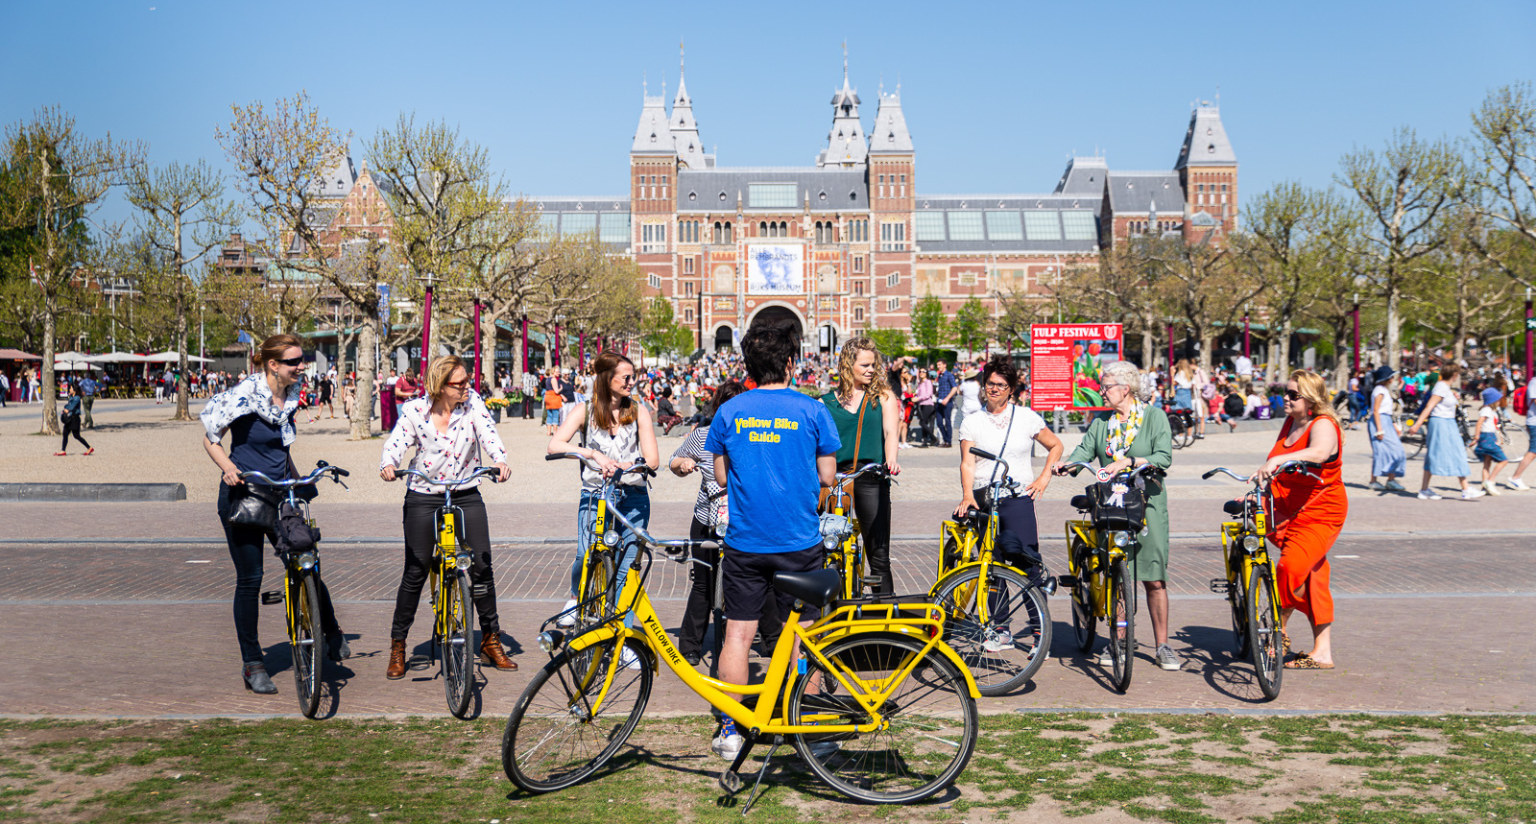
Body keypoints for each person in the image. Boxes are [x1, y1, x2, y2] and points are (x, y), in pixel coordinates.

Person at [704, 320, 840, 760]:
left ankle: (730, 729)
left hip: (746, 541)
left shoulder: (728, 412)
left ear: (749, 365)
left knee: (738, 636)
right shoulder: (813, 410)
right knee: (805, 635)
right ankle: (810, 727)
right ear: (789, 362)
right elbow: (827, 476)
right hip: (798, 539)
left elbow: (721, 477)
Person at [200, 334, 348, 695]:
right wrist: (227, 468)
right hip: (245, 493)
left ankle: (331, 629)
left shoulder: (291, 397)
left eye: (302, 360)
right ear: (273, 365)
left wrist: (301, 480)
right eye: (295, 361)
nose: (302, 366)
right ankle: (253, 664)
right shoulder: (244, 395)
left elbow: (281, 447)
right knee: (251, 579)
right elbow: (209, 436)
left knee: (306, 561)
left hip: (282, 492)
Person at [379, 355, 516, 678]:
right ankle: (398, 645)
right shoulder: (415, 411)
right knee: (416, 568)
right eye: (461, 384)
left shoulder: (473, 405)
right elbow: (396, 442)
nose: (468, 387)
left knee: (482, 565)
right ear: (440, 387)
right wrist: (388, 463)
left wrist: (499, 460)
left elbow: (489, 435)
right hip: (424, 494)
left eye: (469, 381)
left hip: (465, 490)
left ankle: (490, 638)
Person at [1056, 359, 1179, 671]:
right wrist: (1068, 465)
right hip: (1112, 506)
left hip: (1148, 506)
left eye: (1106, 386)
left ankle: (1162, 644)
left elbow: (1164, 456)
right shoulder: (1101, 425)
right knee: (1116, 575)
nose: (1102, 391)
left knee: (1153, 578)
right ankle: (1119, 639)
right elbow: (1084, 452)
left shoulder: (1154, 418)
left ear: (1125, 389)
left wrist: (1127, 461)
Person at [547, 351, 660, 629]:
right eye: (626, 377)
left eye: (632, 377)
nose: (631, 382)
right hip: (596, 495)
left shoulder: (638, 410)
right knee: (586, 554)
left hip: (633, 496)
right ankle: (576, 596)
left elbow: (653, 460)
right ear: (608, 378)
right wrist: (592, 455)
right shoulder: (584, 410)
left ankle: (624, 634)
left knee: (626, 567)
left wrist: (627, 464)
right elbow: (555, 445)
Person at [1258, 370, 1347, 670]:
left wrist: (1278, 460)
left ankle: (1277, 628)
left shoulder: (1324, 424)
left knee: (1290, 567)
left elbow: (1320, 453)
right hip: (1284, 509)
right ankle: (1323, 651)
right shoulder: (1289, 422)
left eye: (1293, 394)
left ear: (1311, 399)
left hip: (1320, 511)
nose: (1286, 397)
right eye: (1285, 391)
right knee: (1313, 574)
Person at [955, 356, 1063, 591]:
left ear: (1011, 390)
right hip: (984, 499)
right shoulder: (972, 421)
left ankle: (1038, 624)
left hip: (1018, 498)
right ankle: (998, 626)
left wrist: (1044, 478)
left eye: (1001, 385)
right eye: (990, 383)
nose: (994, 389)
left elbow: (1056, 445)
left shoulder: (1026, 417)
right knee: (991, 566)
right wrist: (967, 495)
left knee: (1027, 562)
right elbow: (967, 463)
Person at [669, 380, 750, 665]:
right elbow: (674, 460)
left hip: (743, 520)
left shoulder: (753, 436)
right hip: (707, 517)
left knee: (751, 580)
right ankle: (691, 644)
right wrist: (683, 465)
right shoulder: (703, 435)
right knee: (703, 582)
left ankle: (769, 636)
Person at [821, 338, 903, 595]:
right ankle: (832, 612)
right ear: (847, 365)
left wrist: (891, 460)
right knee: (829, 550)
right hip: (835, 480)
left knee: (878, 555)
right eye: (865, 364)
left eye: (873, 365)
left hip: (871, 475)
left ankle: (885, 616)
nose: (871, 369)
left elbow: (891, 433)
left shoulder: (884, 397)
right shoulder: (825, 403)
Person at [1407, 365, 1483, 500]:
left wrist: (1453, 396)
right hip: (1441, 423)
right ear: (1454, 374)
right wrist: (1417, 424)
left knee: (1441, 453)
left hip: (1447, 422)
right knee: (1454, 452)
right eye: (1458, 373)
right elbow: (1429, 406)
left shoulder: (1444, 387)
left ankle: (1425, 489)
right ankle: (1465, 489)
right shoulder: (1441, 387)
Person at [1365, 366, 1407, 492]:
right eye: (1391, 376)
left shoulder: (1383, 389)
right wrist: (1379, 429)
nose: (1393, 378)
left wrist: (1393, 425)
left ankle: (1390, 479)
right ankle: (1376, 480)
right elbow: (1376, 410)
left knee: (1395, 451)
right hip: (1380, 422)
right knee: (1382, 451)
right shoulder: (1379, 390)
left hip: (1385, 421)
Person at [1472, 386, 1510, 497]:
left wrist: (1499, 438)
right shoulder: (1486, 410)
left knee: (1487, 462)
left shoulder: (1492, 411)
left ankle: (1485, 485)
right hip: (1487, 437)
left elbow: (1495, 426)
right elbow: (1479, 423)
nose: (1499, 401)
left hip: (1490, 436)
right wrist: (1476, 436)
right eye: (1498, 399)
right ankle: (1490, 481)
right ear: (1493, 400)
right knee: (1504, 460)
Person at [1508, 378, 1535, 490]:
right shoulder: (1535, 382)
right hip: (1534, 422)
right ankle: (1515, 477)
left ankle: (1516, 478)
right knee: (1533, 451)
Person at [55, 382, 93, 456]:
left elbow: (71, 407)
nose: (69, 389)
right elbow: (67, 405)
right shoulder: (71, 397)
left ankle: (89, 447)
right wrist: (66, 407)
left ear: (74, 390)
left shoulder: (77, 398)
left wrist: (67, 409)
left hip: (75, 419)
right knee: (65, 433)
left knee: (76, 435)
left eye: (71, 388)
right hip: (69, 419)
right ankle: (63, 450)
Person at [934, 360, 958, 448]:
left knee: (947, 421)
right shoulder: (940, 376)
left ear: (945, 365)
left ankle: (948, 441)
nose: (938, 366)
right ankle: (945, 439)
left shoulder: (949, 375)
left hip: (947, 402)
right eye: (937, 365)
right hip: (939, 401)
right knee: (939, 422)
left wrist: (947, 398)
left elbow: (954, 388)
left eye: (939, 365)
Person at [913, 369, 936, 447]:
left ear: (926, 373)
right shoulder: (920, 383)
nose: (921, 373)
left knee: (922, 423)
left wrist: (918, 398)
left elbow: (928, 394)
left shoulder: (928, 382)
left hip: (928, 404)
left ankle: (933, 438)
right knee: (924, 422)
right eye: (920, 371)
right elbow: (918, 393)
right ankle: (925, 441)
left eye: (923, 371)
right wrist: (915, 397)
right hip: (921, 405)